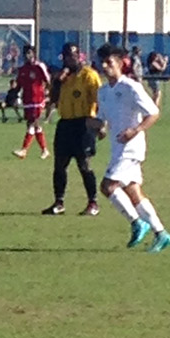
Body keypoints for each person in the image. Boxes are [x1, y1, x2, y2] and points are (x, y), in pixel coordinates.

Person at [87, 44, 170, 253]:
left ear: (121, 63)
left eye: (109, 62)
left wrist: (135, 130)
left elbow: (153, 113)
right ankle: (161, 234)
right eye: (102, 63)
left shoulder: (131, 87)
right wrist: (96, 126)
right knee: (133, 192)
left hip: (131, 147)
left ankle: (136, 222)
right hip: (117, 147)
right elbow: (104, 122)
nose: (105, 67)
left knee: (107, 186)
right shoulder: (103, 92)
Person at [42, 43, 101, 216]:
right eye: (66, 57)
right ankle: (59, 202)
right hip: (65, 123)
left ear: (79, 56)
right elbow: (53, 99)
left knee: (84, 164)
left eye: (73, 56)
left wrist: (98, 123)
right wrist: (58, 82)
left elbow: (99, 100)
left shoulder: (89, 75)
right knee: (60, 165)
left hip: (84, 124)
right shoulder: (63, 77)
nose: (69, 60)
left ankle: (93, 203)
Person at [12, 45, 51, 160]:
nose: (28, 55)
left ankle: (24, 150)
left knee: (32, 123)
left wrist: (47, 93)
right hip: (27, 99)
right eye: (26, 53)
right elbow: (19, 85)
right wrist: (15, 96)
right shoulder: (23, 69)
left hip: (38, 99)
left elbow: (48, 80)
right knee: (35, 124)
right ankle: (45, 150)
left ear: (34, 54)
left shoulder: (39, 66)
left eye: (30, 53)